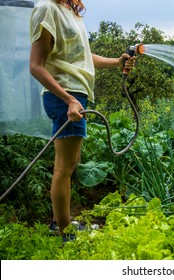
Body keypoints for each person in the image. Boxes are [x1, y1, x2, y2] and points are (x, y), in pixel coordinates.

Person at [29, 0, 135, 236]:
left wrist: (116, 62)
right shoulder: (47, 8)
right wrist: (68, 100)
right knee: (64, 168)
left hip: (76, 94)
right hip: (65, 94)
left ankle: (60, 222)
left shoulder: (70, 11)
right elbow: (36, 66)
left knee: (69, 163)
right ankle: (65, 231)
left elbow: (82, 58)